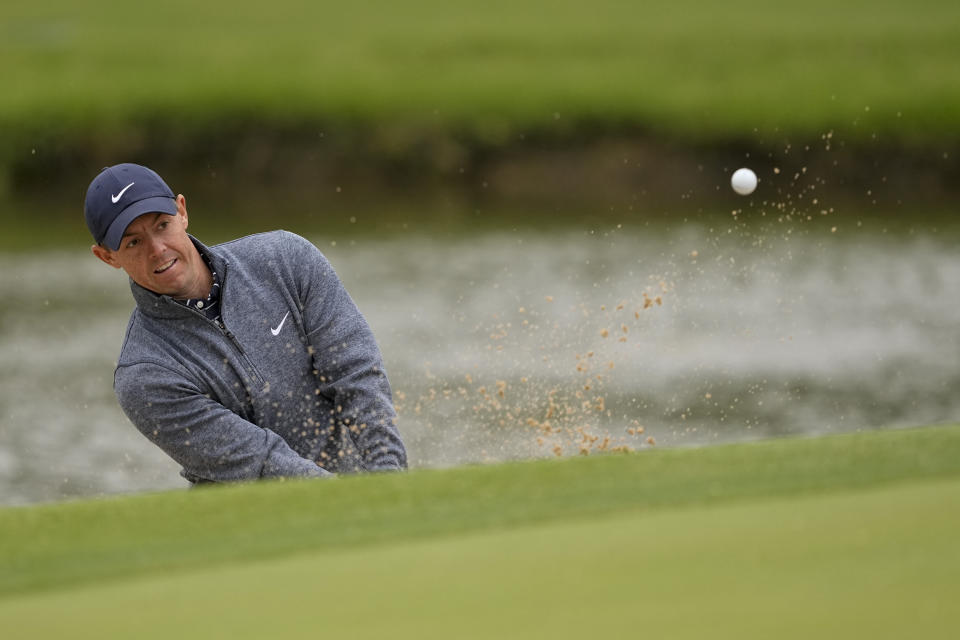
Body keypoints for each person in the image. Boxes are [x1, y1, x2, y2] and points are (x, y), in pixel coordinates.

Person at [84, 163, 407, 484]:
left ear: (182, 211)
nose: (157, 249)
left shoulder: (285, 260)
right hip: (257, 523)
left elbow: (356, 374)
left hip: (360, 491)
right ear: (107, 257)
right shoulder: (144, 374)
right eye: (133, 243)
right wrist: (351, 501)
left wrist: (388, 479)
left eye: (162, 225)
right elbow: (262, 462)